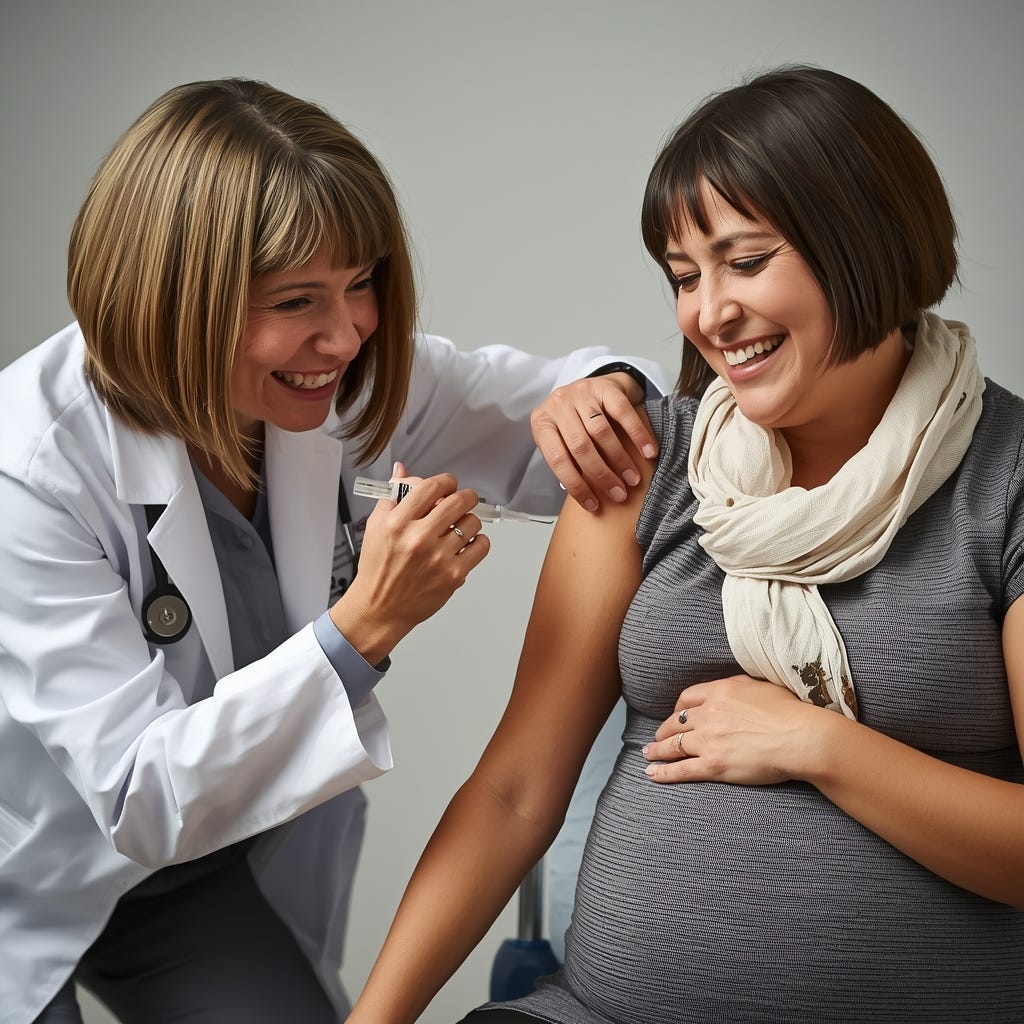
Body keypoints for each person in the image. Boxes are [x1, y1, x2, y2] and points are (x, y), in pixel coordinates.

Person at [347, 65, 1024, 1024]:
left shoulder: (1008, 483)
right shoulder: (650, 463)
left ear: (869, 240)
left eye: (746, 262)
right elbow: (513, 791)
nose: (709, 313)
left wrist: (821, 747)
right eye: (683, 277)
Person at [0, 78, 672, 1024]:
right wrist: (365, 626)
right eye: (297, 299)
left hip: (191, 880)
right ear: (174, 301)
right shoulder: (29, 467)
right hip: (24, 875)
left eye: (362, 282)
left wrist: (596, 396)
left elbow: (594, 409)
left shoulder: (337, 381)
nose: (347, 331)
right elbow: (140, 795)